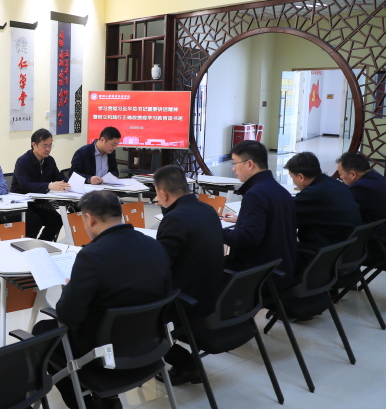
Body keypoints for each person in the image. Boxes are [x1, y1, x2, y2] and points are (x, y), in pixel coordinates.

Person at [32, 190, 171, 409]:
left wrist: (68, 291)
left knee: (42, 332)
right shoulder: (154, 245)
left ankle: (89, 404)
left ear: (89, 218)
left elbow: (68, 316)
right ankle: (106, 399)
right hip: (151, 345)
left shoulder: (91, 256)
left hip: (104, 353)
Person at [153, 165, 225, 385]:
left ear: (163, 194)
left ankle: (185, 364)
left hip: (186, 304)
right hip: (213, 295)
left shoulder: (175, 220)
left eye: (157, 195)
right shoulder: (208, 210)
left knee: (133, 313)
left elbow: (160, 266)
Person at [221, 140, 297, 289]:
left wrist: (217, 231)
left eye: (235, 163)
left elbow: (247, 238)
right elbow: (272, 221)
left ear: (250, 164)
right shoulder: (280, 190)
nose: (233, 168)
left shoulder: (255, 194)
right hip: (282, 269)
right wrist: (242, 220)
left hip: (260, 276)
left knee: (204, 269)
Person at [285, 152, 361, 250]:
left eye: (292, 177)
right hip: (344, 248)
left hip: (324, 252)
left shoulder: (312, 194)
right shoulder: (335, 183)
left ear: (301, 177)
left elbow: (286, 218)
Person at [11, 128, 70, 241]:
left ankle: (42, 245)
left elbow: (58, 177)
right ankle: (27, 248)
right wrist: (48, 186)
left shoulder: (49, 160)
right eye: (44, 146)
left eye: (50, 145)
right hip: (21, 204)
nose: (48, 149)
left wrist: (71, 183)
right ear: (34, 145)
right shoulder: (23, 161)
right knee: (34, 221)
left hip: (39, 203)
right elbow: (25, 186)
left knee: (57, 220)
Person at [337, 152, 386, 238]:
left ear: (353, 174)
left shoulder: (361, 188)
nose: (340, 177)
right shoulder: (377, 177)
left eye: (341, 174)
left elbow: (343, 211)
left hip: (374, 237)